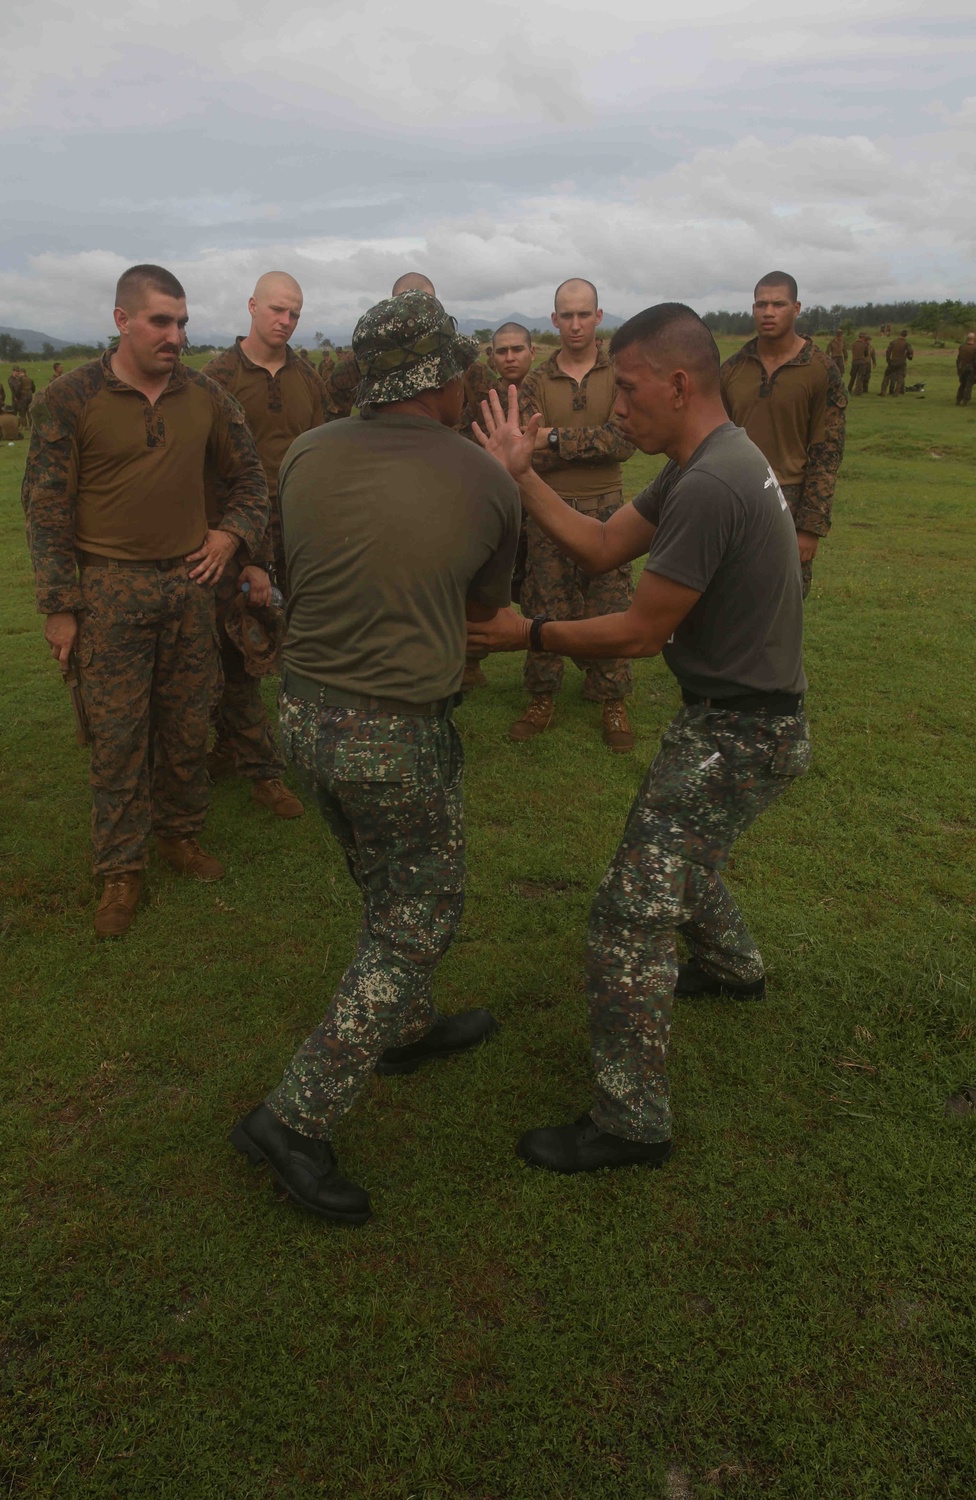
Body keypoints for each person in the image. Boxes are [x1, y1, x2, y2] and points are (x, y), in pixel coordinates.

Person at [468, 303, 810, 1173]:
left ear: (678, 382)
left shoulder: (712, 483)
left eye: (628, 388)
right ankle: (733, 969)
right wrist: (520, 475)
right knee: (673, 855)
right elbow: (600, 544)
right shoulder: (704, 460)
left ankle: (630, 1122)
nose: (619, 408)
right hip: (732, 716)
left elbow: (638, 632)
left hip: (743, 730)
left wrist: (526, 636)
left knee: (628, 912)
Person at [231, 291, 520, 1224]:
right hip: (395, 728)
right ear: (441, 376)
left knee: (383, 884)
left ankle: (407, 1025)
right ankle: (294, 1116)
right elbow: (487, 610)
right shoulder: (482, 478)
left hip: (306, 718)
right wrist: (502, 474)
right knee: (422, 913)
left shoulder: (311, 448)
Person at [22, 263, 269, 938]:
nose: (175, 334)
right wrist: (59, 605)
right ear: (122, 320)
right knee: (117, 736)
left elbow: (250, 477)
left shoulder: (206, 396)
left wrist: (230, 535)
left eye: (183, 322)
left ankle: (180, 835)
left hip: (190, 585)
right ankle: (120, 869)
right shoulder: (69, 400)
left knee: (189, 721)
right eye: (161, 320)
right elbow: (46, 508)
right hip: (108, 588)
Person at [201, 270, 331, 818]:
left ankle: (243, 744)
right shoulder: (215, 379)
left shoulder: (308, 377)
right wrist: (240, 550)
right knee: (238, 650)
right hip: (236, 535)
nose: (285, 321)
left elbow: (325, 455)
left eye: (295, 313)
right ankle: (262, 771)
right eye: (277, 309)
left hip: (302, 532)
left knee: (302, 646)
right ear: (252, 306)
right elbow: (204, 469)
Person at [512, 278, 637, 751]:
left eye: (584, 314)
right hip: (549, 510)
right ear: (554, 320)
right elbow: (528, 451)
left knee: (609, 605)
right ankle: (542, 697)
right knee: (545, 605)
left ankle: (611, 699)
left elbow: (623, 441)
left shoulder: (619, 374)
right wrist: (575, 444)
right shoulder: (536, 381)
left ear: (599, 317)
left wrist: (555, 439)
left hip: (608, 511)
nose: (576, 324)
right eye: (566, 315)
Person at [720, 272, 846, 598]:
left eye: (779, 304)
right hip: (735, 499)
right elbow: (713, 441)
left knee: (782, 606)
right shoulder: (733, 369)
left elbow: (826, 452)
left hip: (788, 501)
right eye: (761, 304)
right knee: (727, 600)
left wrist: (810, 527)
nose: (768, 312)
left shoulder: (820, 370)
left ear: (796, 308)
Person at [461, 321, 538, 692]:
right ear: (492, 356)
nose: (509, 357)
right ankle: (469, 662)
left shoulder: (546, 393)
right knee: (479, 585)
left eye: (517, 349)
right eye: (501, 351)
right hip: (490, 505)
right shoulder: (480, 395)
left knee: (542, 588)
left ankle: (546, 670)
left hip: (540, 505)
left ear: (531, 352)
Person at [323, 272, 497, 435]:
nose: (416, 312)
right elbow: (330, 416)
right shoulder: (362, 364)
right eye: (407, 304)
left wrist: (465, 451)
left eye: (424, 305)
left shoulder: (463, 362)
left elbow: (496, 418)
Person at [879, 330, 913, 396]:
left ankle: (883, 391)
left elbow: (888, 351)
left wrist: (888, 360)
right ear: (906, 335)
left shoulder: (893, 342)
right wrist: (909, 357)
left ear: (900, 334)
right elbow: (910, 351)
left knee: (886, 376)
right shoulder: (906, 344)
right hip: (901, 362)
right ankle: (896, 392)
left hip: (893, 361)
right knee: (900, 377)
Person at [956, 332, 976, 406]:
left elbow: (958, 359)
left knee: (962, 384)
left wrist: (958, 369)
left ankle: (958, 399)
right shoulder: (975, 348)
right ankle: (965, 400)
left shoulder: (962, 347)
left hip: (963, 368)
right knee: (969, 385)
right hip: (971, 369)